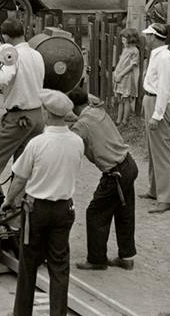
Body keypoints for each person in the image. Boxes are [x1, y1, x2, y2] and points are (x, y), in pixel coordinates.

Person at [2, 90, 84, 316]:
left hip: (36, 210)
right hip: (63, 209)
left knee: (28, 265)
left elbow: (19, 178)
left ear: (47, 113)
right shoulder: (77, 142)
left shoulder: (37, 144)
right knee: (59, 266)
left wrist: (8, 201)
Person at [0, 18, 46, 226]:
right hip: (36, 116)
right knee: (23, 167)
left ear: (5, 37)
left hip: (18, 118)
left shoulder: (12, 55)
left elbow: (5, 77)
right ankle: (18, 214)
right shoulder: (37, 54)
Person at [67, 87, 137, 273]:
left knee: (95, 213)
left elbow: (70, 145)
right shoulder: (97, 109)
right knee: (125, 213)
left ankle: (97, 259)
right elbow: (94, 99)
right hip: (129, 164)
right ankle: (126, 257)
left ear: (73, 107)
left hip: (115, 173)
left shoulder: (81, 126)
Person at [140, 22, 170, 213]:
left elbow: (164, 89)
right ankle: (155, 189)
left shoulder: (164, 58)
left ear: (154, 38)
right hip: (151, 101)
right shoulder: (158, 55)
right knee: (153, 148)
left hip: (159, 103)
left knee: (162, 151)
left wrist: (157, 115)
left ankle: (167, 198)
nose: (145, 39)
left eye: (148, 36)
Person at [112, 28, 141, 126]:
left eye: (124, 39)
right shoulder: (125, 49)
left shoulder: (135, 51)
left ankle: (124, 120)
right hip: (120, 76)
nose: (122, 40)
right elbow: (121, 63)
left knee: (126, 99)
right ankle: (118, 120)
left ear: (131, 39)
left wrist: (120, 75)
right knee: (120, 99)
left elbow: (132, 65)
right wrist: (116, 73)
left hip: (126, 78)